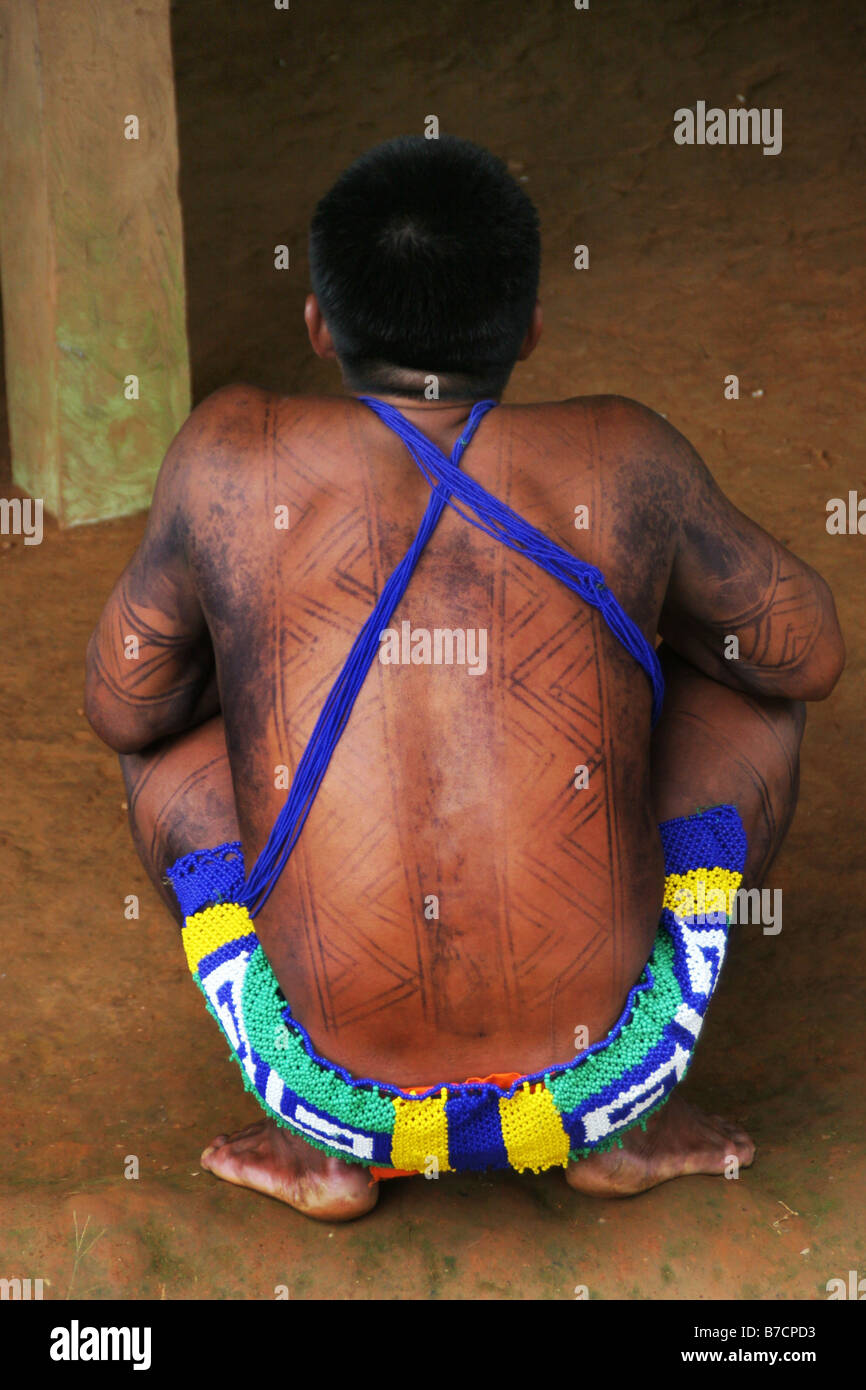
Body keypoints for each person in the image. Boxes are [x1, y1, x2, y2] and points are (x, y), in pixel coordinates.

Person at [84, 135, 844, 1222]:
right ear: (530, 326)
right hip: (598, 1079)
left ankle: (324, 1153)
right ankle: (627, 1130)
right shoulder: (621, 454)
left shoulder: (224, 455)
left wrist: (258, 669)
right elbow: (803, 653)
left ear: (318, 323)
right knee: (753, 699)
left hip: (322, 1086)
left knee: (164, 742)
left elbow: (123, 705)